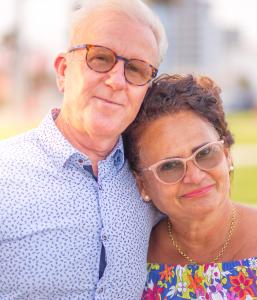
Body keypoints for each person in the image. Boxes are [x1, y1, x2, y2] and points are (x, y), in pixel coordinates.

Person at [0, 0, 168, 299]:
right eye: (101, 58)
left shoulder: (154, 180)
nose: (116, 81)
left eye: (137, 69)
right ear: (63, 71)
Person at [123, 74, 257, 299]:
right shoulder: (131, 266)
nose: (195, 176)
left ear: (227, 155)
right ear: (142, 184)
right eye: (170, 166)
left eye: (205, 153)